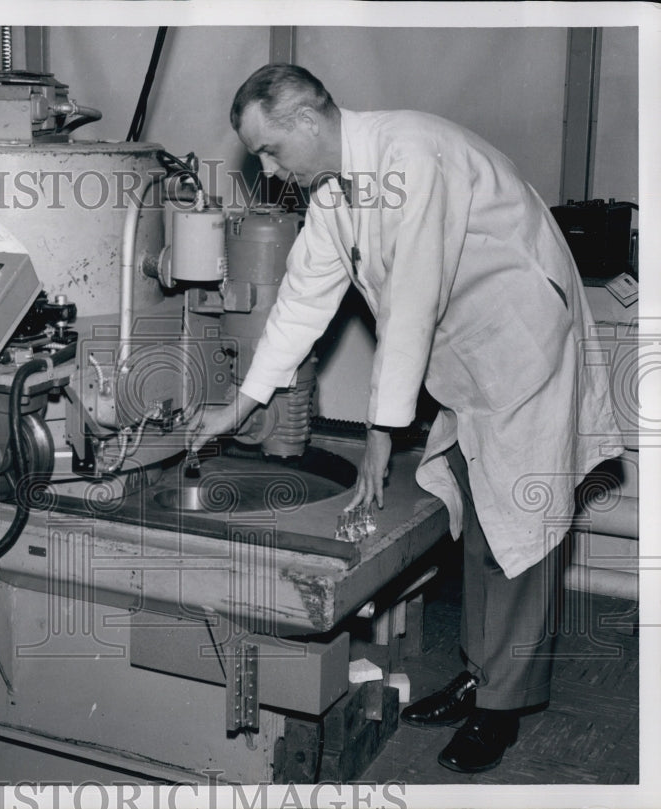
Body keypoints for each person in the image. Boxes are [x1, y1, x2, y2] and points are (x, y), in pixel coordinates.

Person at [192, 64, 623, 773]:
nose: (267, 169)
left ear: (307, 120)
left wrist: (379, 436)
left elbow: (412, 299)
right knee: (481, 522)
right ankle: (484, 676)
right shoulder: (334, 191)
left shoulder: (411, 156)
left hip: (522, 345)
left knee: (520, 531)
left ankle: (501, 710)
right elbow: (302, 299)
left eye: (269, 149)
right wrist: (239, 404)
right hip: (469, 357)